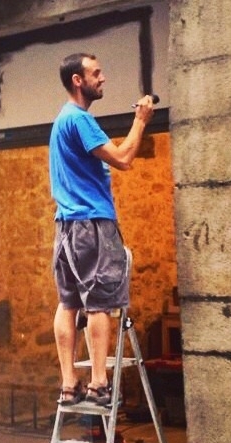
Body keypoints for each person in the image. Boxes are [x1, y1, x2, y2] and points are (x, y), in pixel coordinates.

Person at [49, 52, 154, 407]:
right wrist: (140, 121)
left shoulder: (61, 122)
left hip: (65, 227)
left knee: (68, 303)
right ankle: (98, 384)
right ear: (77, 80)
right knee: (98, 304)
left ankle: (68, 385)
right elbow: (123, 158)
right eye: (96, 73)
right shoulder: (80, 119)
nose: (102, 77)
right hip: (92, 223)